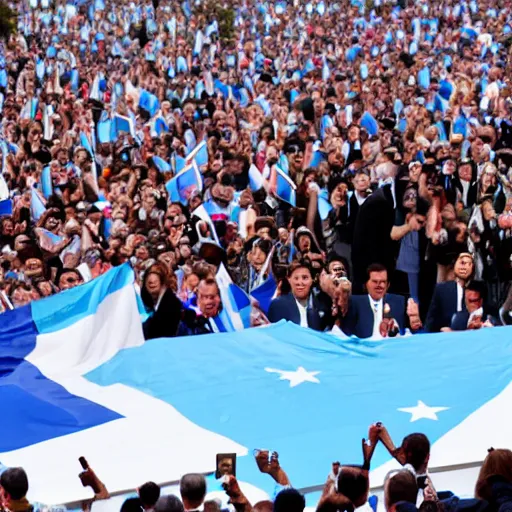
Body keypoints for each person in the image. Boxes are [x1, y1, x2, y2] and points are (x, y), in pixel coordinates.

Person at [342, 264, 418, 338]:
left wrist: (414, 322)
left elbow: (414, 331)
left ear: (388, 285)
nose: (379, 285)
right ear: (366, 284)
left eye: (383, 282)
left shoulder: (400, 302)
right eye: (375, 282)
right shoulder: (354, 302)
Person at [268, 261, 332, 331]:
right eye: (296, 278)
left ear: (312, 279)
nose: (300, 282)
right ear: (289, 279)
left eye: (305, 278)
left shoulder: (324, 304)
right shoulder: (278, 305)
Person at [425, 253, 475, 332]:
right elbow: (431, 320)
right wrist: (441, 329)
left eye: (469, 264)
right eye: (462, 263)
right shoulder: (442, 290)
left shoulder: (478, 289)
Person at [141, 263, 183, 340]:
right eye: (148, 275)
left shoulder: (172, 305)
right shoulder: (148, 304)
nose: (151, 280)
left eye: (157, 274)